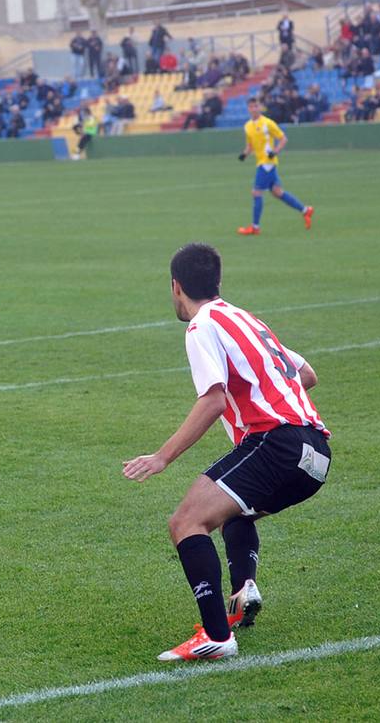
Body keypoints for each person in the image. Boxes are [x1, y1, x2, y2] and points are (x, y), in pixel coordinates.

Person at [122, 242, 330, 662]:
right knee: (233, 510)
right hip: (317, 454)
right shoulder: (247, 320)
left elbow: (213, 400)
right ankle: (242, 593)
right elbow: (306, 374)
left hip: (278, 443)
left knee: (186, 522)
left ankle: (216, 636)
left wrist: (162, 457)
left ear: (176, 286)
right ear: (217, 281)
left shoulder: (200, 327)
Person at [236, 97, 313, 236]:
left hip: (267, 163)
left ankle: (255, 227)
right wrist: (244, 154)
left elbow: (283, 138)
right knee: (278, 192)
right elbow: (250, 146)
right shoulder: (247, 126)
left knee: (256, 193)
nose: (254, 109)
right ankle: (305, 210)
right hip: (263, 163)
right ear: (248, 108)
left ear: (260, 107)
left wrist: (275, 151)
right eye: (251, 106)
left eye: (256, 106)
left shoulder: (268, 123)